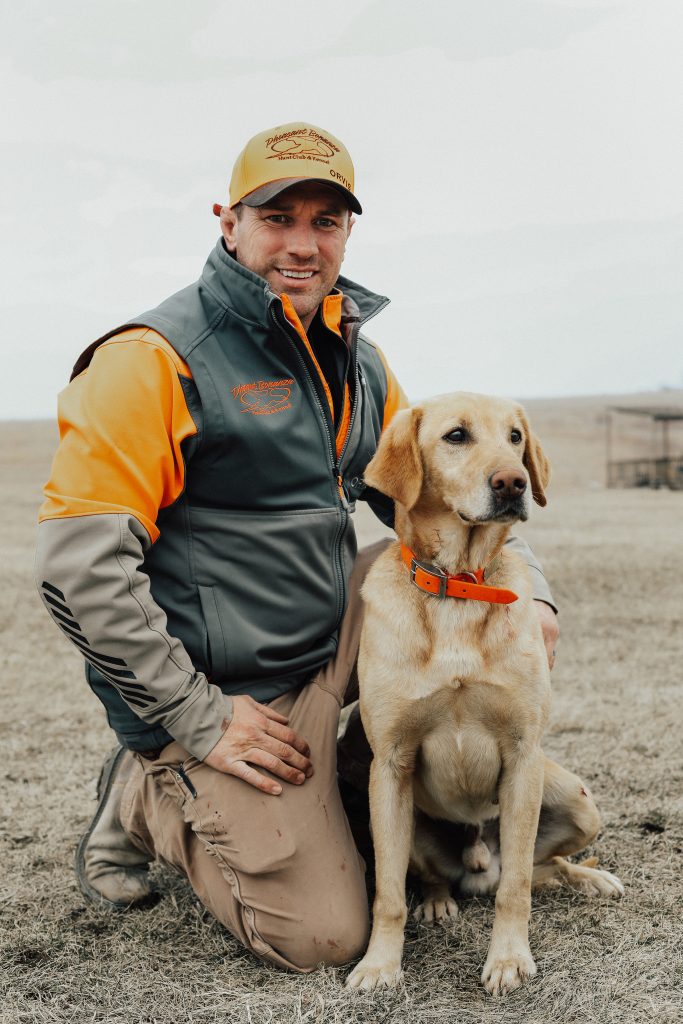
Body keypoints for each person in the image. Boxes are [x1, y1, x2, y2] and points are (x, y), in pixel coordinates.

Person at [35, 121, 559, 972]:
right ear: (227, 221)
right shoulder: (151, 360)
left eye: (326, 220)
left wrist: (529, 588)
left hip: (323, 649)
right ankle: (145, 795)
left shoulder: (356, 360)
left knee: (398, 579)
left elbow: (428, 493)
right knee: (322, 938)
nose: (302, 244)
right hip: (221, 690)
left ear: (349, 232)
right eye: (277, 217)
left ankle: (350, 776)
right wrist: (197, 717)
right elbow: (77, 570)